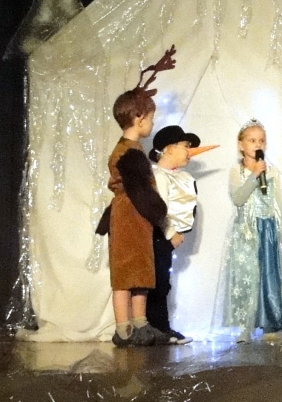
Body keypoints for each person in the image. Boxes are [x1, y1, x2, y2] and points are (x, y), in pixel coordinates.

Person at [94, 47, 178, 347]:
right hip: (130, 217)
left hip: (133, 218)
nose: (152, 123)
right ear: (139, 118)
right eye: (151, 118)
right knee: (126, 275)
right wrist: (162, 217)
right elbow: (140, 190)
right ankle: (124, 329)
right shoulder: (128, 152)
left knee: (140, 272)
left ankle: (140, 324)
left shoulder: (131, 150)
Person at [216, 119, 282, 342]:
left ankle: (270, 324)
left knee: (269, 275)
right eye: (252, 140)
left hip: (267, 228)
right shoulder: (236, 171)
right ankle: (244, 325)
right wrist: (253, 175)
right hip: (246, 231)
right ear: (241, 145)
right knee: (245, 276)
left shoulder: (272, 172)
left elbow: (277, 204)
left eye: (261, 140)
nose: (257, 144)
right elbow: (238, 199)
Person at [147, 125, 204, 345]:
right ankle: (158, 329)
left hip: (164, 240)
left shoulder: (176, 177)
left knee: (163, 282)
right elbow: (158, 209)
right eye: (186, 146)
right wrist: (171, 234)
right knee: (158, 283)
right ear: (169, 149)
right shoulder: (159, 177)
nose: (190, 151)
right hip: (158, 238)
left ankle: (161, 327)